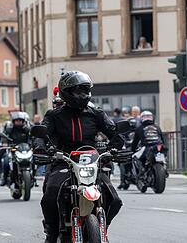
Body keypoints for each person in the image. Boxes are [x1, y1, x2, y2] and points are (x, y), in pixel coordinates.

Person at [33, 71, 125, 243]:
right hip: (63, 161)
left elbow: (113, 132)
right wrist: (41, 149)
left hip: (92, 163)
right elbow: (42, 134)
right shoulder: (54, 115)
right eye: (78, 91)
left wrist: (114, 148)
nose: (82, 95)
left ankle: (101, 226)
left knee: (115, 200)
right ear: (66, 92)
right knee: (50, 196)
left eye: (85, 90)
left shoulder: (95, 113)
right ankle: (52, 233)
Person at [0, 112, 32, 186]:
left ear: (23, 121)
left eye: (20, 120)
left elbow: (32, 137)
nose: (18, 122)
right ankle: (4, 178)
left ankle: (33, 178)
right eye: (17, 120)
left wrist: (33, 143)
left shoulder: (27, 129)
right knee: (6, 161)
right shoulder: (10, 129)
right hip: (13, 150)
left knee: (34, 160)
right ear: (13, 121)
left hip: (24, 150)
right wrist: (5, 142)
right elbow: (4, 135)